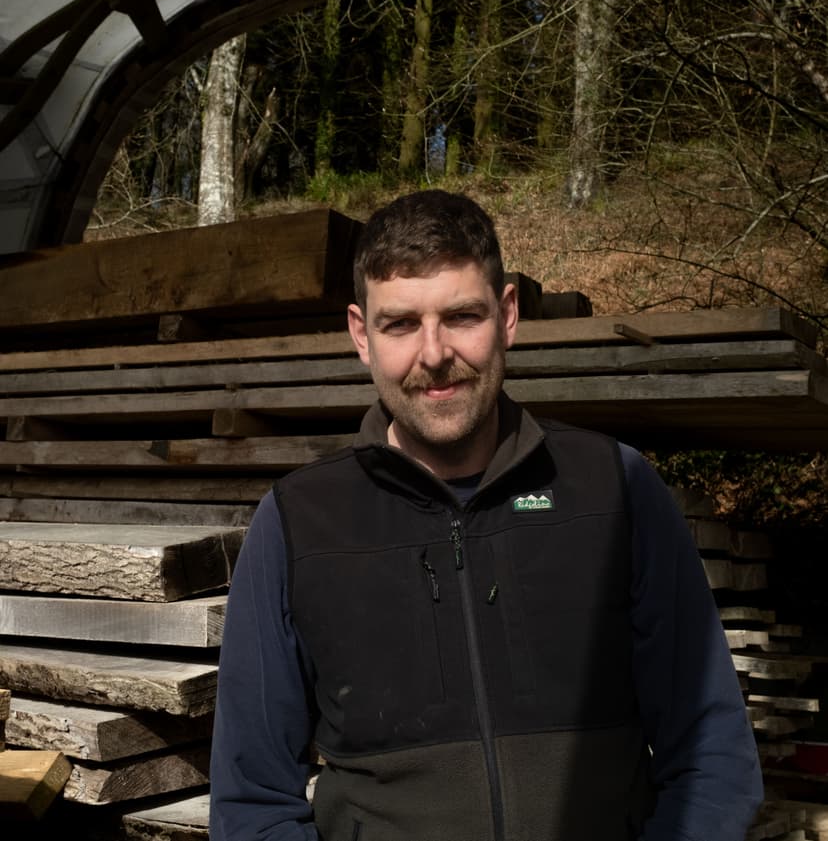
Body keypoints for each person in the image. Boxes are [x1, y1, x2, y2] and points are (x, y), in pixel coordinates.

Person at [209, 189, 763, 841]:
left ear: (506, 315)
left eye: (462, 315)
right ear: (362, 334)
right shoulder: (296, 524)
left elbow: (713, 758)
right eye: (401, 324)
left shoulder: (616, 489)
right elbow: (252, 806)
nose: (435, 352)